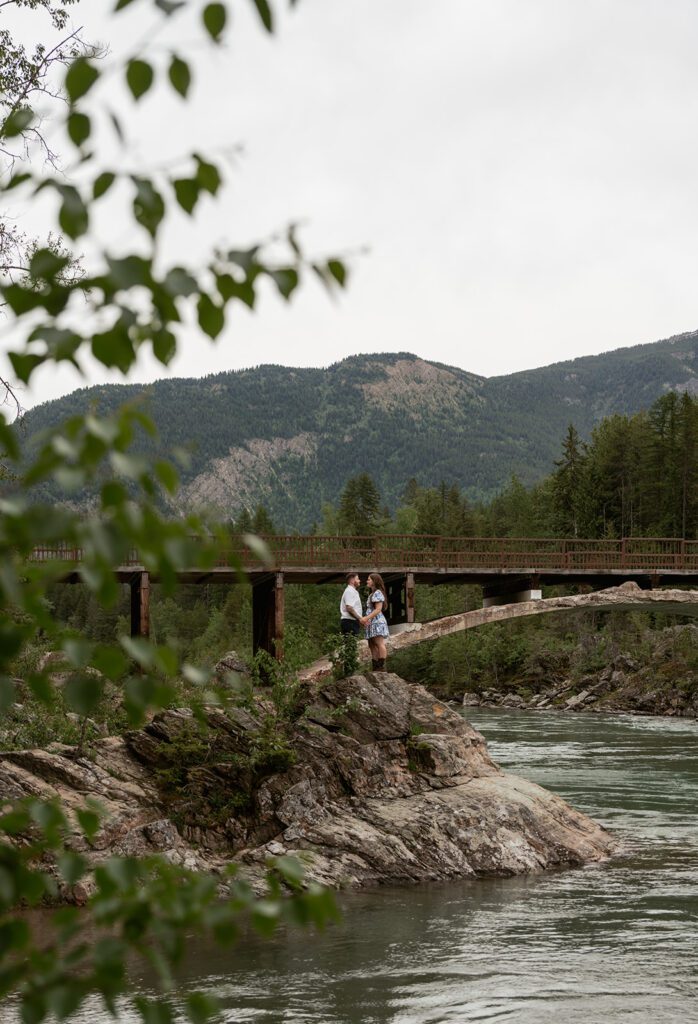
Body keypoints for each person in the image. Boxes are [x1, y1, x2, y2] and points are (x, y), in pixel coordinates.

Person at [364, 572, 390, 671]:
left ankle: (381, 666)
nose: (367, 581)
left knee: (379, 643)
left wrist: (366, 618)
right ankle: (375, 666)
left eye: (369, 579)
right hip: (371, 622)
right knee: (371, 645)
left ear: (374, 581)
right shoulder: (372, 594)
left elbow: (378, 609)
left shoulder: (378, 593)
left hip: (377, 622)